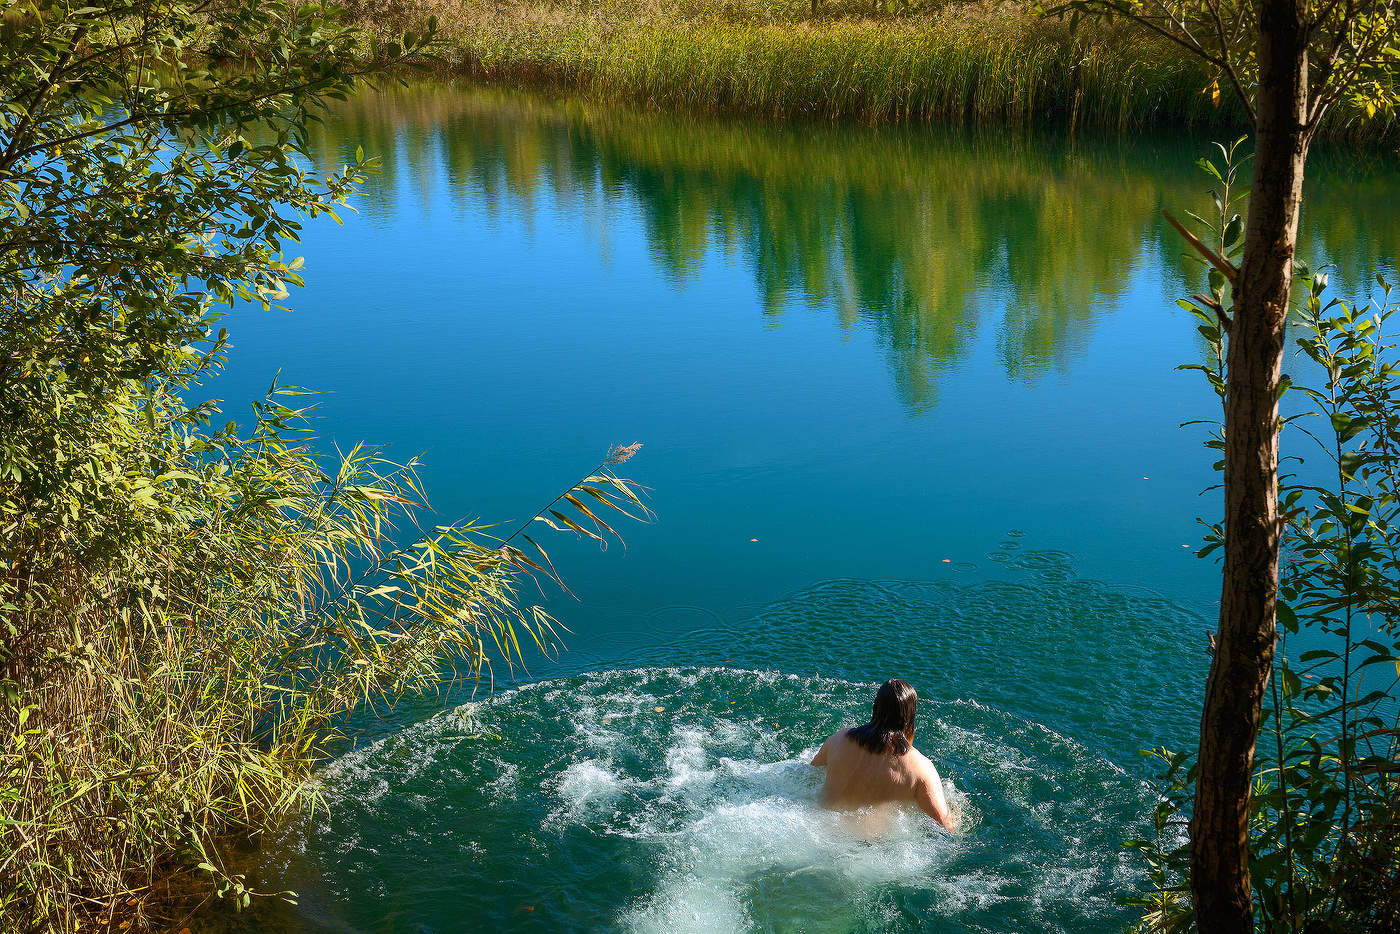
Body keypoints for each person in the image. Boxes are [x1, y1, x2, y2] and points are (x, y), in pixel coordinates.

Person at [810, 678, 959, 832]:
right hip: (865, 848)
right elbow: (946, 825)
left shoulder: (839, 739)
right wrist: (956, 808)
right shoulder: (920, 768)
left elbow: (808, 774)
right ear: (910, 717)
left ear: (875, 707)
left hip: (818, 826)